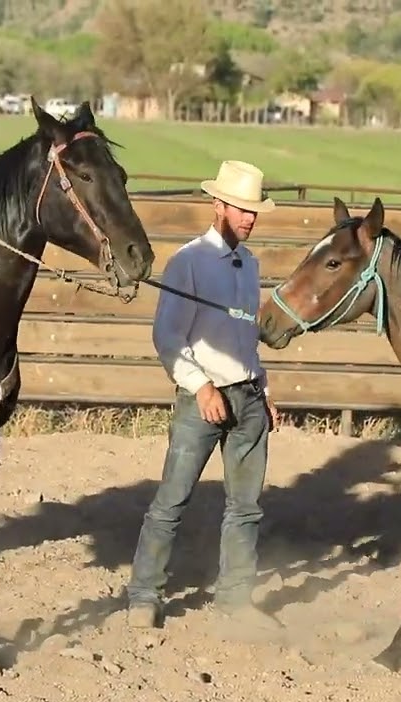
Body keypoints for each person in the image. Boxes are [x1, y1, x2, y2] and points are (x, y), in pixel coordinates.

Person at [125, 160, 284, 631]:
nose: (248, 219)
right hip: (203, 400)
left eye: (253, 211)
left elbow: (244, 337)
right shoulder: (188, 262)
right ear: (217, 205)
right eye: (240, 209)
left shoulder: (250, 264)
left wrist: (264, 389)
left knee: (246, 506)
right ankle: (143, 595)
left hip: (249, 397)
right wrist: (202, 386)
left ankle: (235, 596)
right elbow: (168, 337)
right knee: (172, 500)